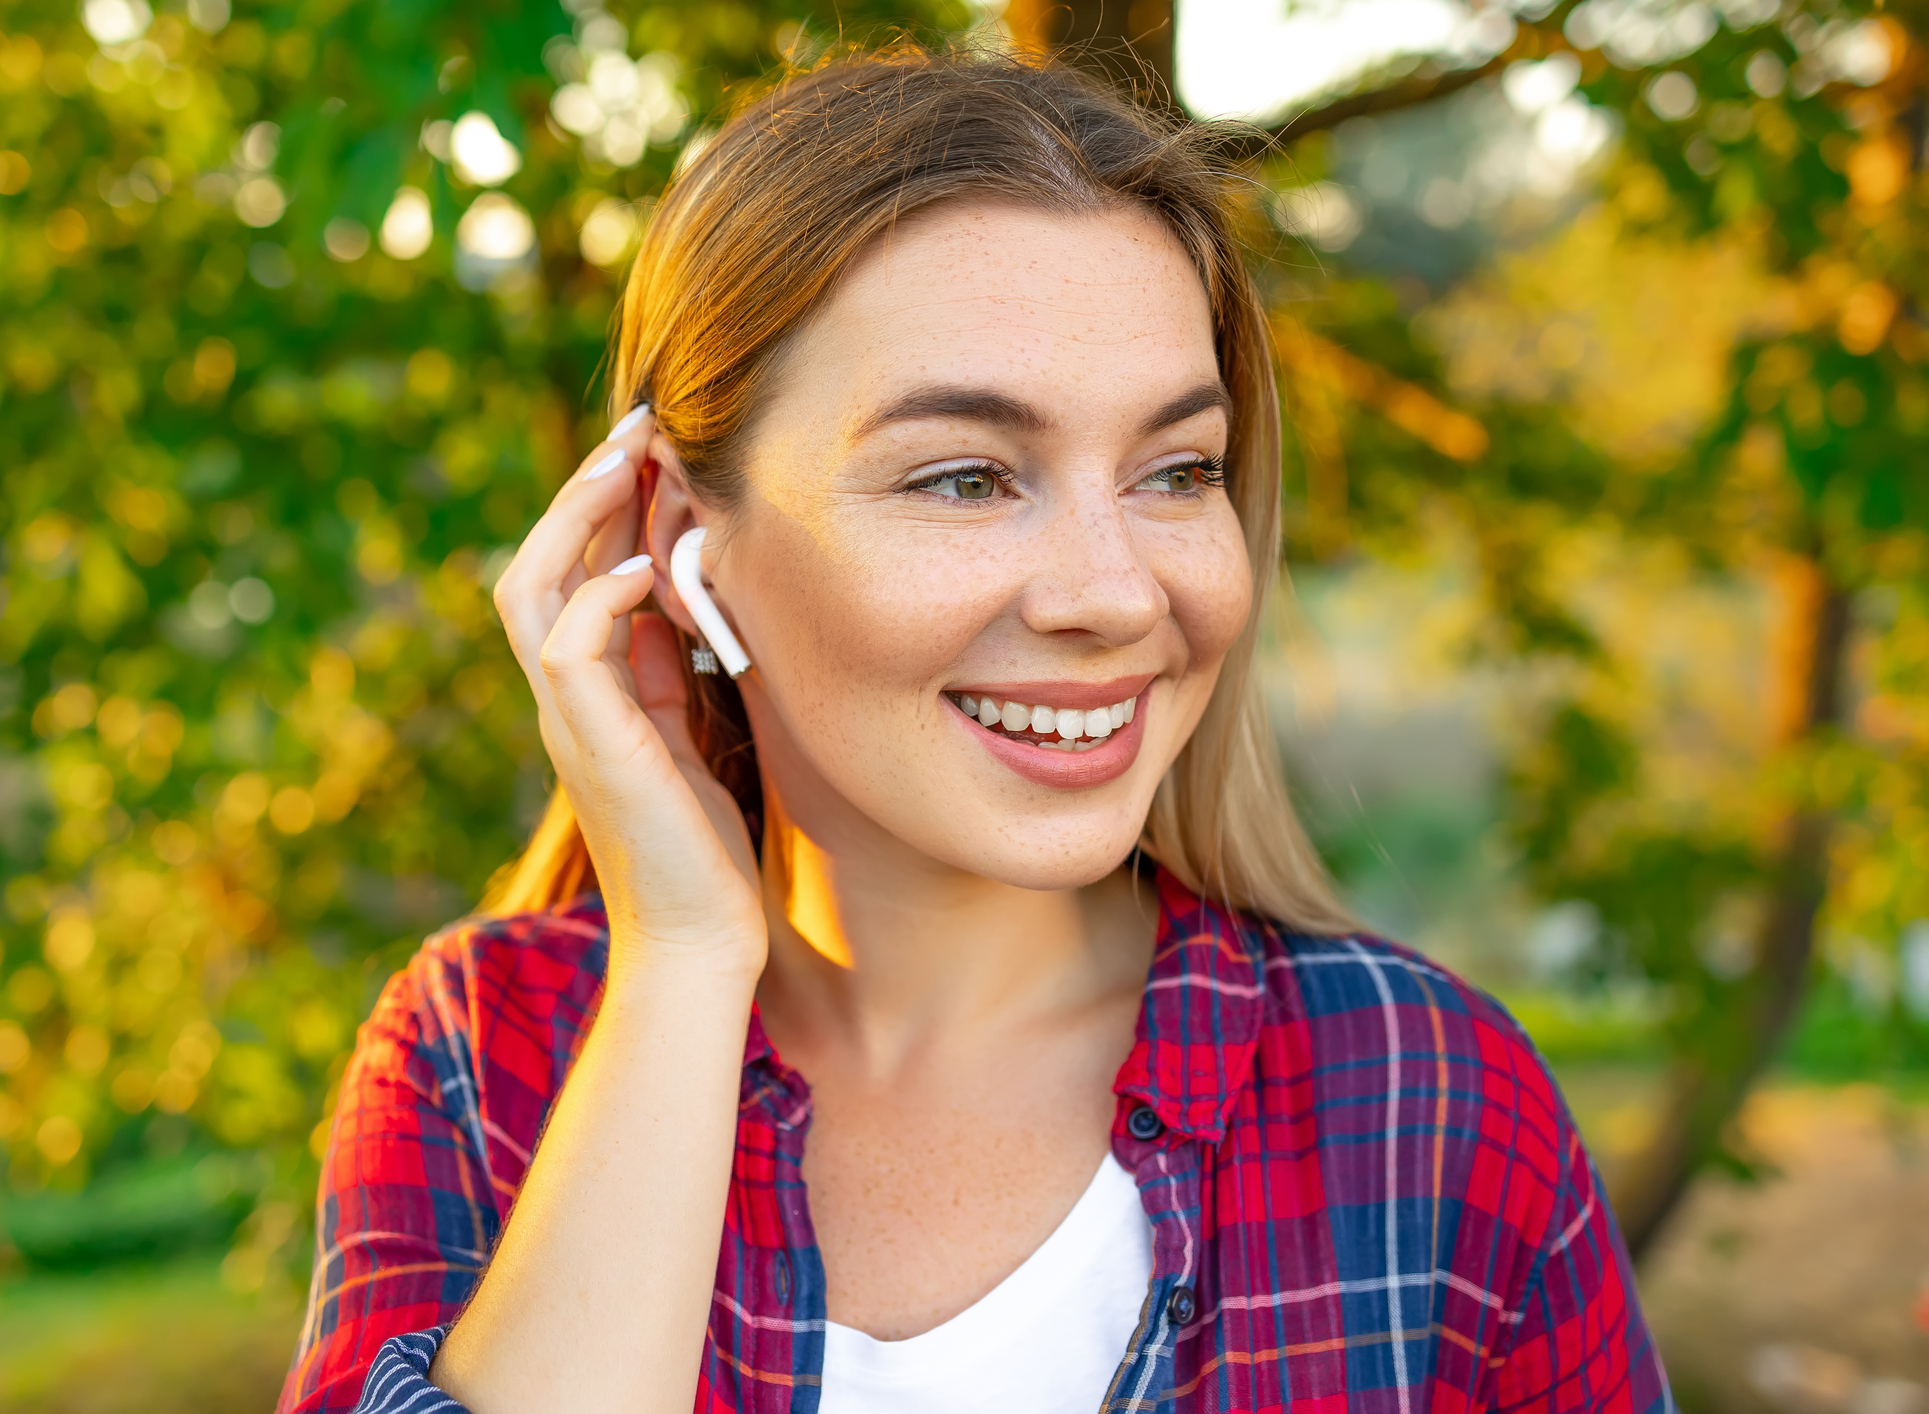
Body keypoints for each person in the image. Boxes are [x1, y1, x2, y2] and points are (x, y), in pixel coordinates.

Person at [277, 45, 1671, 1414]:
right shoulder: (480, 1055)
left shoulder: (1428, 1101)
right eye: (964, 478)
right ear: (682, 545)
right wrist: (684, 961)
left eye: (1176, 469)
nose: (1114, 593)